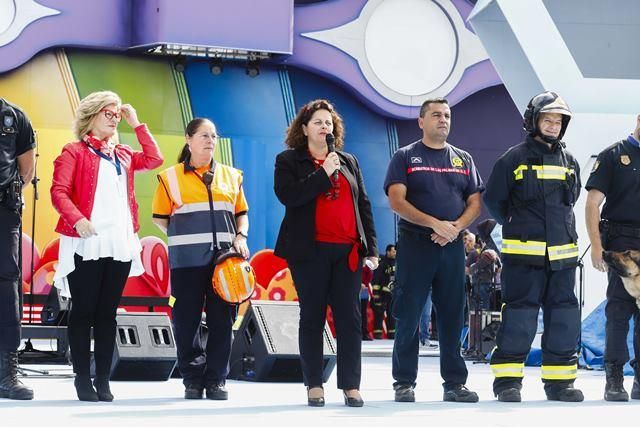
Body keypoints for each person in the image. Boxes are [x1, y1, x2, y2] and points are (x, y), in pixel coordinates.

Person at [51, 91, 164, 402]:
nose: (115, 119)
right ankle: (81, 377)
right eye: (109, 113)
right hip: (86, 241)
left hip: (119, 242)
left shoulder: (123, 153)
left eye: (117, 114)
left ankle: (103, 378)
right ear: (91, 116)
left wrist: (136, 123)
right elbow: (58, 192)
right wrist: (77, 220)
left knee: (107, 313)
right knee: (83, 310)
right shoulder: (73, 151)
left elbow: (155, 159)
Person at [274, 99, 378, 407]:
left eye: (329, 123)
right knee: (313, 316)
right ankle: (314, 383)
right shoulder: (289, 160)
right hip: (309, 251)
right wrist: (323, 173)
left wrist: (370, 248)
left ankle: (351, 385)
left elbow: (364, 206)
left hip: (347, 251)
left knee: (349, 318)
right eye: (318, 122)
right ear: (304, 128)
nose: (324, 127)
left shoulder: (348, 160)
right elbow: (289, 196)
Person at [484, 91, 582, 403]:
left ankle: (559, 383)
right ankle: (508, 383)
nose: (553, 125)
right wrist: (519, 226)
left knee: (564, 318)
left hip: (563, 258)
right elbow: (494, 201)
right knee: (520, 318)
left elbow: (572, 200)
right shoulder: (513, 159)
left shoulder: (571, 163)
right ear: (533, 121)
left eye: (558, 121)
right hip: (524, 258)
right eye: (547, 119)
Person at [384, 98, 483, 403]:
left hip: (451, 247)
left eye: (447, 115)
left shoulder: (463, 159)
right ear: (421, 121)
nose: (443, 120)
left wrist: (452, 228)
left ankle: (454, 383)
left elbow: (474, 203)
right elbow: (397, 201)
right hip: (416, 245)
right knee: (409, 314)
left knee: (453, 315)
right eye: (436, 115)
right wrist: (433, 225)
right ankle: (404, 382)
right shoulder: (405, 157)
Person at [152, 118, 249, 401]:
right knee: (186, 321)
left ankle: (216, 380)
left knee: (223, 321)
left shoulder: (232, 176)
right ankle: (192, 380)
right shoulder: (169, 178)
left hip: (225, 264)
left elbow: (241, 212)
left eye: (214, 136)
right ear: (188, 139)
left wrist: (240, 236)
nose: (210, 141)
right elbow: (161, 219)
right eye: (204, 135)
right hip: (186, 263)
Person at [585, 114, 640, 402]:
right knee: (619, 311)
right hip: (621, 240)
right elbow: (593, 202)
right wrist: (596, 246)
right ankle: (614, 378)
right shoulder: (613, 155)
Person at [0, 98, 35, 400]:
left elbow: (25, 170)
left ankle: (7, 374)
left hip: (3, 211)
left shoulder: (14, 116)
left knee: (7, 287)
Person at [372, 244, 396, 339]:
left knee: (391, 315)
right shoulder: (382, 264)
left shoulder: (396, 263)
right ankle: (377, 334)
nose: (395, 253)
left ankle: (392, 334)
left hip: (392, 295)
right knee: (379, 314)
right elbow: (376, 279)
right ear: (388, 252)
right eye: (393, 251)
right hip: (382, 295)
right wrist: (376, 294)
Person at [360, 264, 373, 341]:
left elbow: (370, 274)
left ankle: (364, 333)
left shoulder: (367, 265)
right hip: (353, 290)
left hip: (363, 291)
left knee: (363, 313)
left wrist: (364, 283)